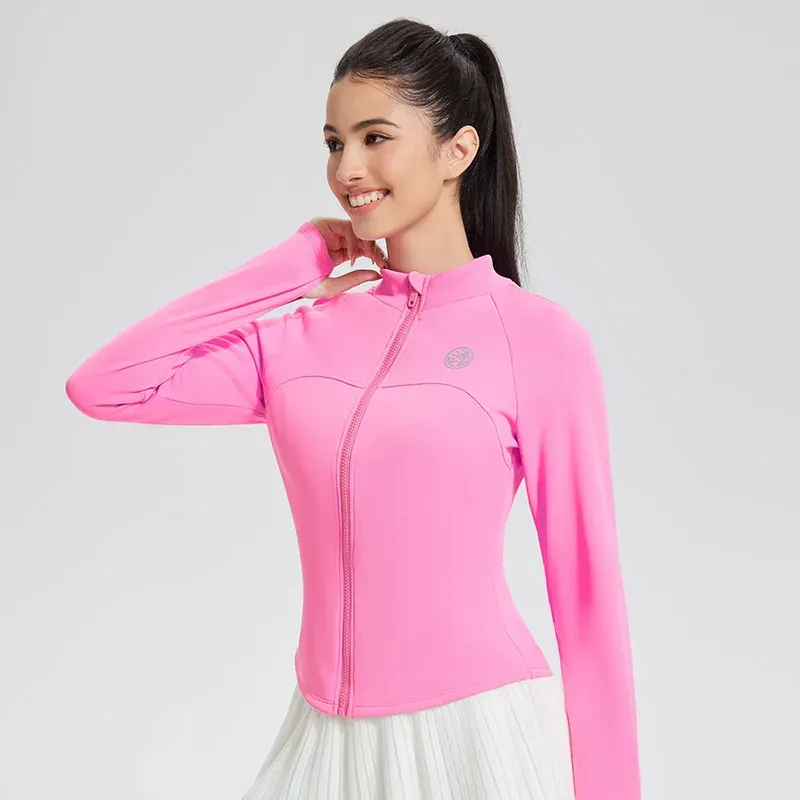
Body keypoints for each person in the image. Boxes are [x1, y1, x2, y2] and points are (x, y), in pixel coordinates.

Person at [65, 17, 641, 800]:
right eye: (334, 143)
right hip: (322, 738)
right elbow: (106, 385)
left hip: (472, 735)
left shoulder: (538, 342)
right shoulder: (302, 337)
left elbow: (588, 598)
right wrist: (292, 264)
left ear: (457, 151)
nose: (347, 169)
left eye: (375, 138)